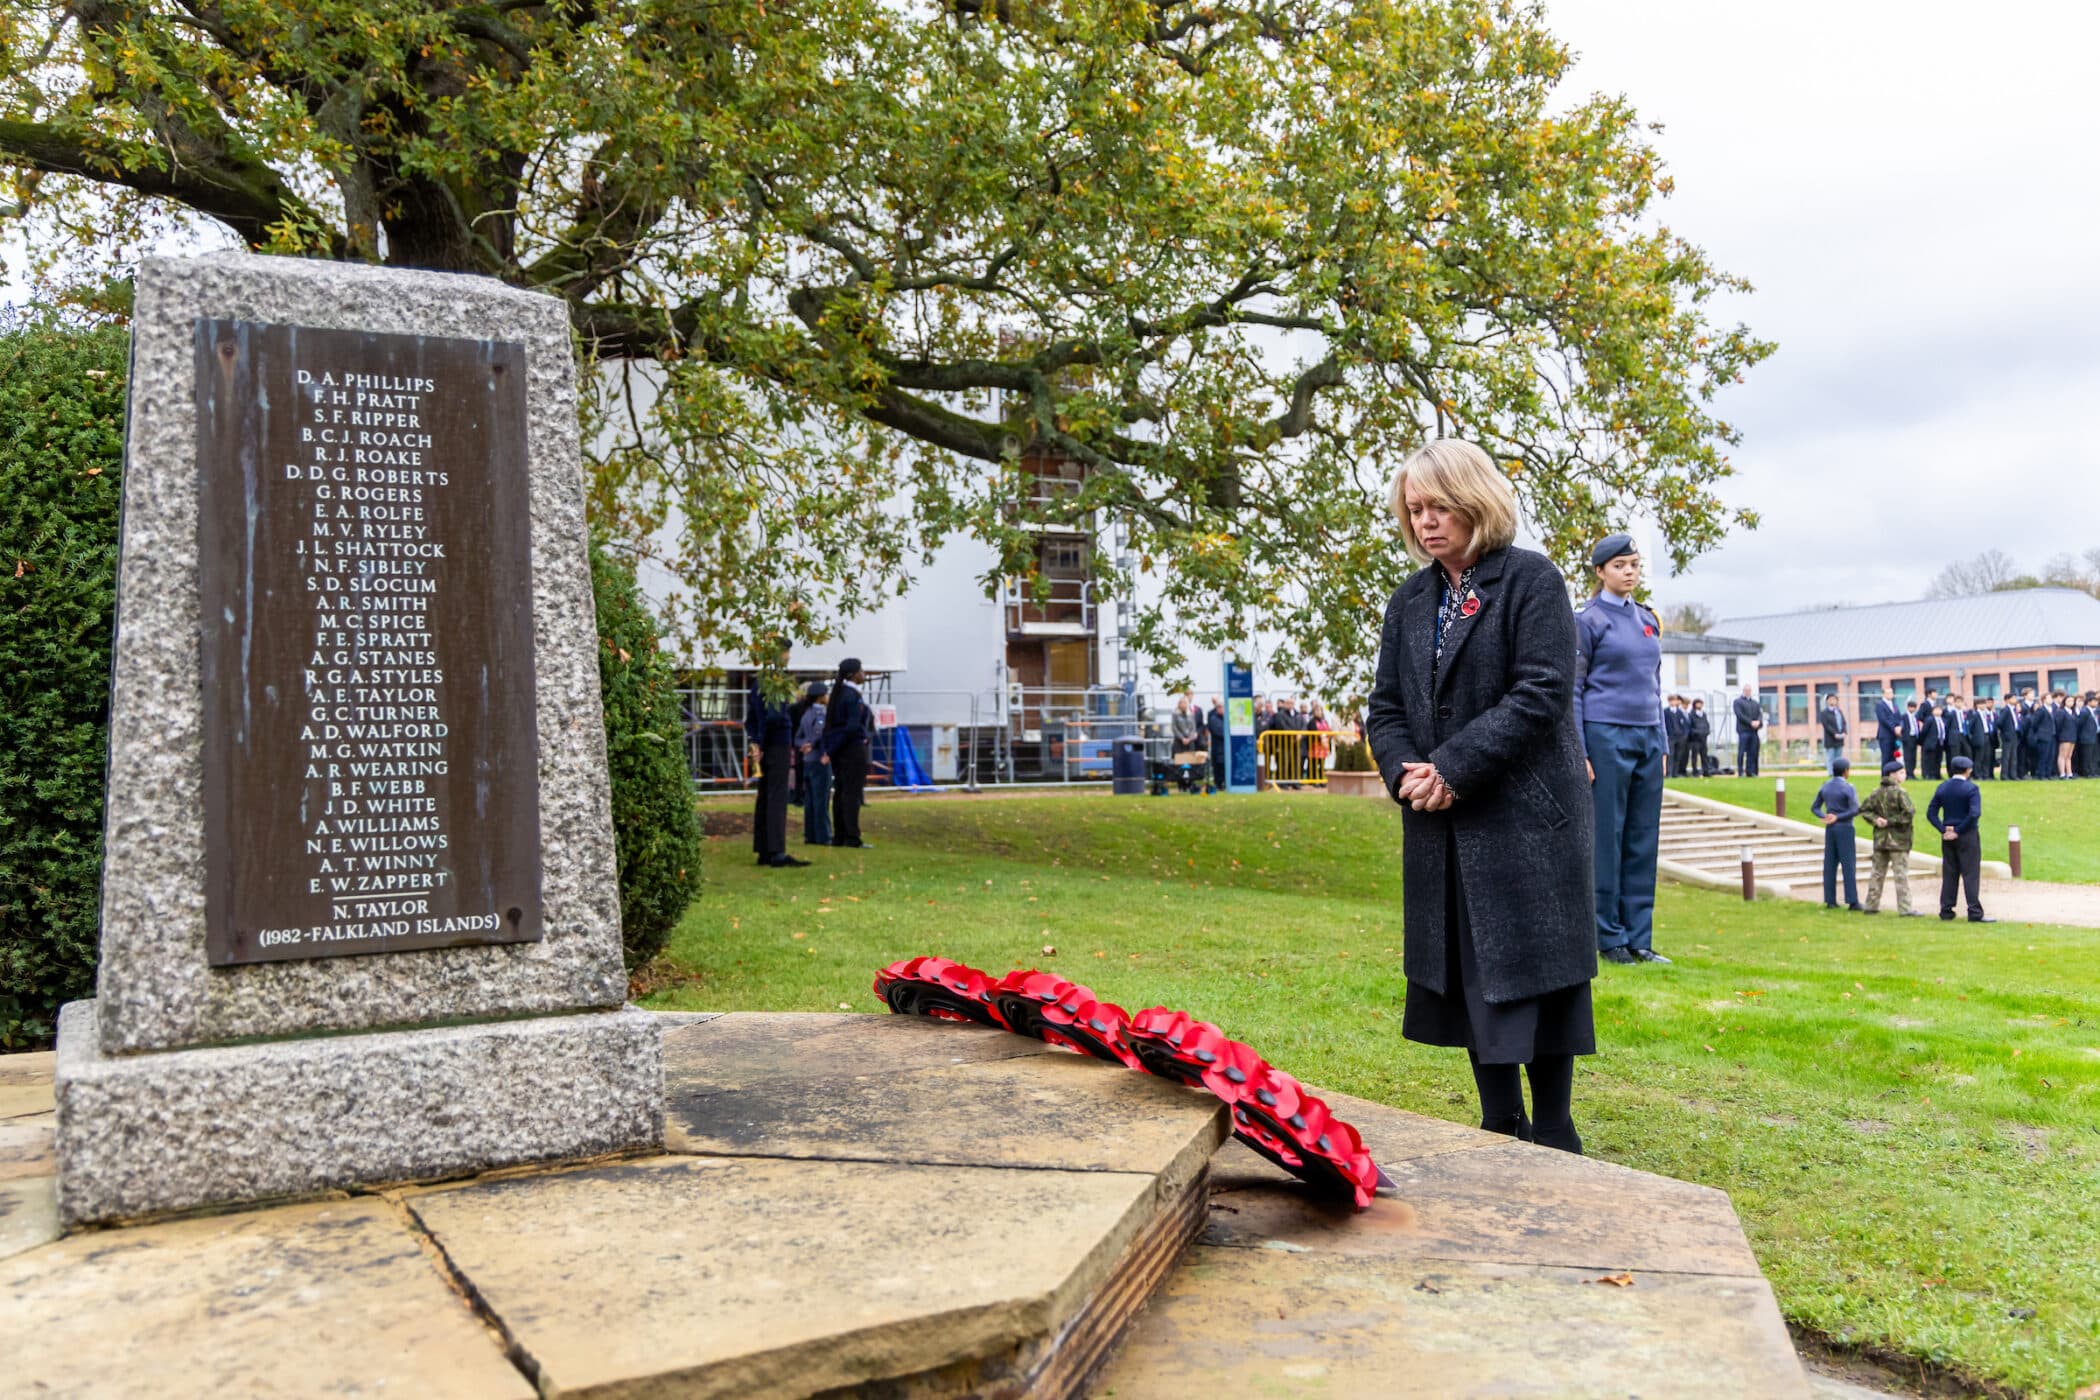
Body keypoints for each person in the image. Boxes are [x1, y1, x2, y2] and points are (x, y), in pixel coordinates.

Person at [1366, 439, 1596, 1153]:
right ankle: (1499, 1120)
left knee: (1539, 973)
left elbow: (1542, 691)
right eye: (1415, 510)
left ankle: (1553, 1127)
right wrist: (1406, 773)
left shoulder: (1532, 581)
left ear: (1476, 502)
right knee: (1469, 972)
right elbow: (1385, 707)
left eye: (1438, 506)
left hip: (1527, 814)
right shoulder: (1410, 600)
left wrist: (1452, 767)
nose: (1425, 522)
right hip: (1443, 821)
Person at [1575, 532, 1670, 966]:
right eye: (1619, 565)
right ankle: (1609, 936)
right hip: (1606, 734)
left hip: (1647, 735)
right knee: (1608, 838)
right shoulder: (1588, 620)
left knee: (1642, 838)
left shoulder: (1648, 619)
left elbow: (1655, 684)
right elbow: (1574, 689)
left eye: (1633, 565)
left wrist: (1662, 742)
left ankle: (1640, 938)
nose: (1628, 572)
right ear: (1600, 571)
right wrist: (1581, 751)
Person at [746, 654, 809, 869]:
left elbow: (751, 718)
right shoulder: (776, 682)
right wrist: (763, 744)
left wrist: (756, 741)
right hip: (776, 744)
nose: (788, 657)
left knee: (764, 796)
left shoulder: (759, 681)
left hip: (765, 744)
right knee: (777, 797)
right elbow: (774, 717)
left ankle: (763, 849)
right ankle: (776, 851)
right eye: (786, 653)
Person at [1926, 756, 1991, 922]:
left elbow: (1931, 813)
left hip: (1947, 835)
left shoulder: (1943, 787)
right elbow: (1974, 813)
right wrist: (1959, 830)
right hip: (1967, 834)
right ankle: (1974, 911)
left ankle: (1946, 909)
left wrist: (1943, 829)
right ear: (1967, 770)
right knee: (1970, 873)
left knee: (1950, 873)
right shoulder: (1971, 789)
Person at [1858, 760, 1922, 917]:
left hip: (1880, 840)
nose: (1904, 775)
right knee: (1901, 875)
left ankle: (1871, 905)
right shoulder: (1900, 793)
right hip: (1899, 841)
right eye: (1901, 772)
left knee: (1877, 873)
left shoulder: (1876, 792)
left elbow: (1864, 810)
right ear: (1893, 775)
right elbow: (1909, 813)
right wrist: (1891, 821)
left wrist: (1876, 820)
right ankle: (1905, 908)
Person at [822, 658, 875, 848]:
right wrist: (863, 736)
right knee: (852, 793)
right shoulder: (852, 695)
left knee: (841, 791)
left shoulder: (838, 694)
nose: (863, 674)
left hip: (839, 749)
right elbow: (852, 725)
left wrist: (832, 748)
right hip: (851, 748)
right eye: (861, 670)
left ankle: (840, 835)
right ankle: (852, 837)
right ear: (853, 674)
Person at [1811, 757, 1863, 912]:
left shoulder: (1825, 786)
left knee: (1830, 864)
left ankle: (1830, 899)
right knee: (1848, 864)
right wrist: (1838, 817)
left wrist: (1824, 816)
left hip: (1830, 829)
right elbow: (1855, 809)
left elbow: (1815, 807)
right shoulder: (1848, 787)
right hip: (1845, 828)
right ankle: (1852, 901)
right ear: (1846, 771)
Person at [795, 681, 832, 847]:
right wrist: (813, 745)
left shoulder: (806, 714)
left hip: (807, 760)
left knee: (809, 800)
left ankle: (810, 834)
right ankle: (823, 835)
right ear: (820, 697)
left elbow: (798, 737)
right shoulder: (822, 714)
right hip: (819, 759)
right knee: (821, 800)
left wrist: (803, 745)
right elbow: (820, 734)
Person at [1733, 685, 1764, 777]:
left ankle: (1751, 771)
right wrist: (1750, 722)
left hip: (1754, 731)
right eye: (1746, 690)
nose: (1748, 692)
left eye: (1749, 690)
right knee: (1742, 752)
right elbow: (1739, 715)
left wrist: (1758, 722)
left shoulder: (1755, 703)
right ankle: (1740, 771)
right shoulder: (1738, 702)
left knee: (1753, 752)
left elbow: (1759, 714)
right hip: (1743, 731)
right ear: (1743, 691)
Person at [1874, 690, 1903, 772]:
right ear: (1883, 694)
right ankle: (1885, 776)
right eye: (1888, 693)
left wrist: (1899, 727)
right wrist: (1894, 728)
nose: (1891, 694)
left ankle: (1892, 776)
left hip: (1895, 736)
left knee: (1893, 757)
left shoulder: (1894, 705)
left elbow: (1899, 718)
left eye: (1892, 693)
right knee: (1886, 757)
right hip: (1885, 735)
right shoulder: (1880, 705)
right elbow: (1883, 719)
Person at [1996, 694, 2023, 781]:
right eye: (2013, 698)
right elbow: (1999, 722)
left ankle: (2013, 775)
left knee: (2013, 756)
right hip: (2008, 735)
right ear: (2007, 700)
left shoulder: (2014, 710)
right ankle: (2004, 775)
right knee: (2006, 756)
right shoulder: (2005, 710)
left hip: (2015, 734)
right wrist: (2005, 731)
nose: (2015, 699)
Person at [1818, 694, 1848, 773]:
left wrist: (1844, 732)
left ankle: (1838, 773)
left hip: (1840, 738)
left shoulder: (1839, 711)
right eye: (1831, 699)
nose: (1833, 701)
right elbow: (1826, 725)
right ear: (1827, 701)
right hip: (1830, 739)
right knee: (1830, 757)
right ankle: (1831, 773)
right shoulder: (1824, 713)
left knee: (1838, 758)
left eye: (1834, 699)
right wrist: (1835, 733)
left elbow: (1843, 723)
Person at [1969, 698, 1996, 781]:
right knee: (1979, 757)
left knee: (1987, 757)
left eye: (1984, 704)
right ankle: (1977, 774)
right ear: (1977, 705)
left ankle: (1986, 775)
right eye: (1981, 704)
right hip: (1979, 737)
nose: (1983, 705)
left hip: (1987, 736)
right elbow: (1970, 727)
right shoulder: (1975, 714)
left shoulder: (1986, 714)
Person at [1663, 695, 1690, 778]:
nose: (1673, 702)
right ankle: (1669, 773)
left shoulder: (1679, 712)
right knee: (1670, 755)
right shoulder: (1665, 712)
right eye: (1671, 700)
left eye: (1674, 700)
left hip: (1680, 737)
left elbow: (1685, 725)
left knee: (1678, 755)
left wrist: (1684, 735)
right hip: (1671, 737)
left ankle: (1675, 773)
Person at [1919, 702, 1946, 782]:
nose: (1938, 711)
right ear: (1933, 711)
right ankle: (1928, 775)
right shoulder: (1929, 719)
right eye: (1936, 710)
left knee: (1938, 759)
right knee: (1929, 760)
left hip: (1940, 742)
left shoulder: (1943, 720)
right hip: (1930, 743)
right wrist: (1923, 742)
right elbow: (1924, 731)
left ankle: (1937, 774)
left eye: (1940, 710)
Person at [1205, 695, 1227, 793]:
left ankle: (1225, 783)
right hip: (1218, 747)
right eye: (1219, 707)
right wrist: (1227, 735)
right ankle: (1218, 784)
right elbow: (1217, 731)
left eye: (1222, 707)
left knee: (1225, 766)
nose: (1221, 709)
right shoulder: (1213, 718)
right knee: (1218, 767)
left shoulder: (1228, 718)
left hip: (1226, 748)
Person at [1687, 698, 1712, 776]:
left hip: (1703, 739)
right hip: (1695, 739)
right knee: (1694, 756)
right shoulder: (1691, 714)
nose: (1699, 705)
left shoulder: (1703, 714)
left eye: (1701, 703)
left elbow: (1707, 724)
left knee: (1704, 756)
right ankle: (1695, 771)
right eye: (1698, 703)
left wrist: (1706, 732)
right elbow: (1690, 727)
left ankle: (1706, 771)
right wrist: (1696, 733)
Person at [2076, 695, 2099, 778]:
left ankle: (2092, 771)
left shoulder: (2092, 711)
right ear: (2089, 702)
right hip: (2086, 737)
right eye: (2094, 701)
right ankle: (2086, 772)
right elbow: (2080, 724)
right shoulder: (2084, 711)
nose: (2096, 703)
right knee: (2086, 756)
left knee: (2092, 756)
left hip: (2093, 736)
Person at [1900, 699, 1921, 780]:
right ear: (1908, 707)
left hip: (1914, 738)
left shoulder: (1915, 717)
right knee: (1908, 757)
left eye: (1914, 707)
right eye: (1911, 707)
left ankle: (1912, 773)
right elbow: (1902, 728)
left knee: (1913, 757)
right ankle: (1908, 774)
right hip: (1907, 738)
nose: (1913, 709)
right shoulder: (1904, 716)